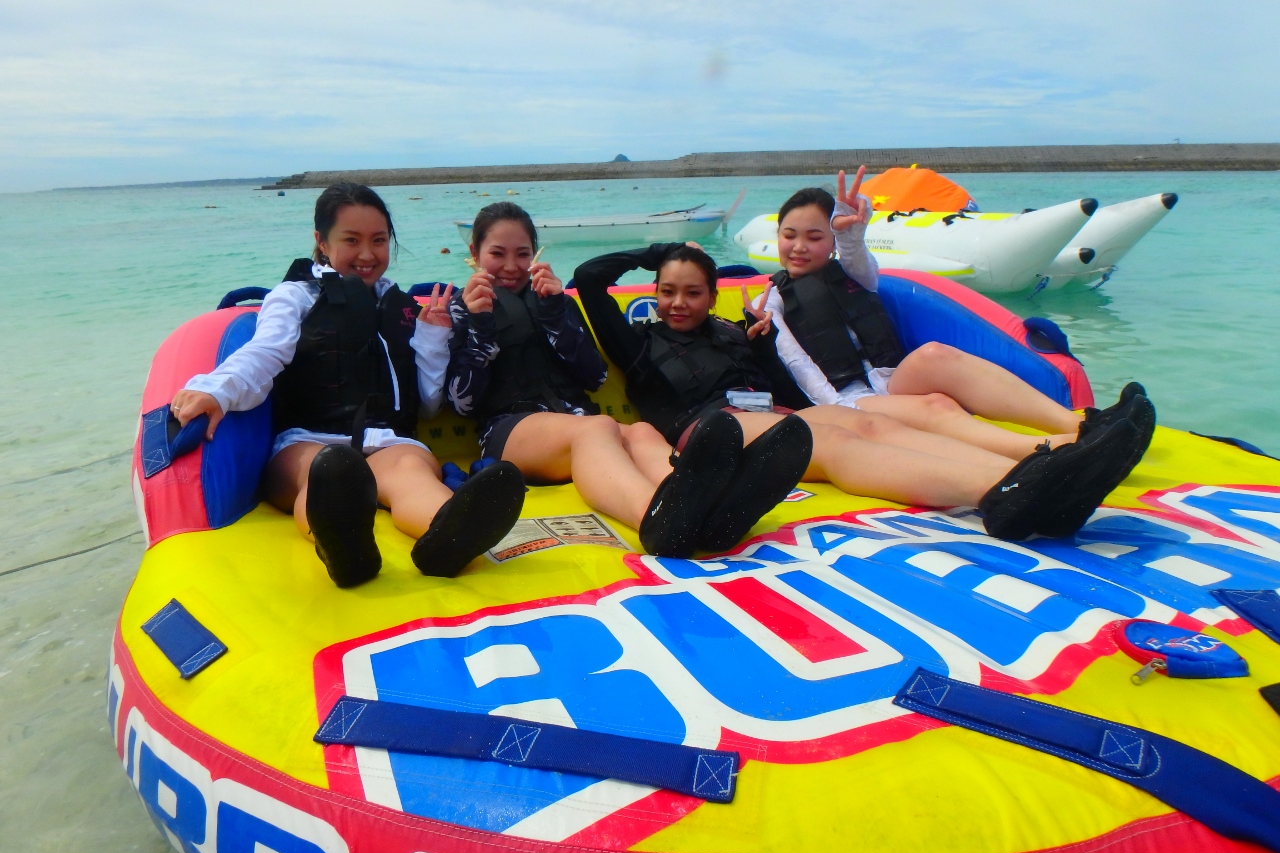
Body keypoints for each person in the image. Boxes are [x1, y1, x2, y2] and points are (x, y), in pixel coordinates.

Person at [574, 241, 1143, 542]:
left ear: (710, 294)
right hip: (708, 431)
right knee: (848, 442)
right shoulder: (637, 343)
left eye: (692, 292)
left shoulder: (731, 333)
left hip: (772, 416)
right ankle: (1003, 493)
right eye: (668, 291)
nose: (677, 303)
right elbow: (594, 276)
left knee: (879, 426)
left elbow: (778, 391)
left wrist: (765, 349)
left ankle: (1049, 460)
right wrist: (657, 254)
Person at [169, 183, 525, 588]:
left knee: (412, 473)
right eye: (351, 241)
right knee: (324, 474)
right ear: (321, 241)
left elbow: (427, 404)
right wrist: (216, 389)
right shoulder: (296, 297)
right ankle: (343, 548)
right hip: (309, 439)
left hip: (390, 440)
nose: (368, 255)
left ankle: (449, 536)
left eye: (378, 240)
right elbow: (266, 352)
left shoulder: (403, 308)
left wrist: (431, 339)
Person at [445, 201, 812, 559]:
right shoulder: (460, 309)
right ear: (475, 252)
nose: (512, 266)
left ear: (535, 253)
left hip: (582, 424)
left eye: (522, 254)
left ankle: (713, 512)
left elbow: (595, 376)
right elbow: (464, 404)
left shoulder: (555, 302)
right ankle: (653, 518)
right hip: (509, 430)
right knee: (596, 429)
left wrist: (556, 313)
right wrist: (481, 328)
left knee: (641, 433)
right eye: (498, 254)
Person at [746, 168, 1156, 469]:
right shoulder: (774, 299)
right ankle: (1052, 449)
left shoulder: (852, 272)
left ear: (832, 240)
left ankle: (1083, 422)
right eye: (789, 235)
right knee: (937, 406)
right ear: (777, 236)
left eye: (814, 237)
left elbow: (859, 259)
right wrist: (847, 410)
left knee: (935, 355)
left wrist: (853, 230)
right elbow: (800, 368)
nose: (799, 247)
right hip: (845, 398)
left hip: (888, 377)